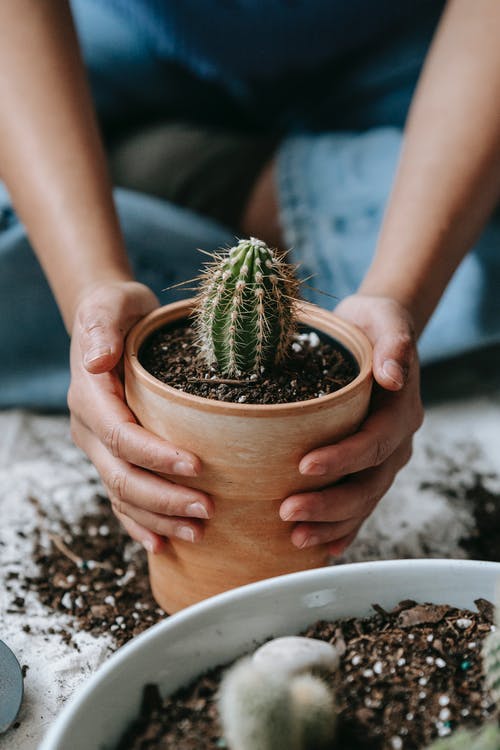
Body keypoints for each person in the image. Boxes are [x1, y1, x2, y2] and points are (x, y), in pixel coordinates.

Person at [0, 1, 499, 557]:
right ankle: (283, 198)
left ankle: (212, 183)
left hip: (411, 60)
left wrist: (398, 293)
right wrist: (91, 284)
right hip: (120, 37)